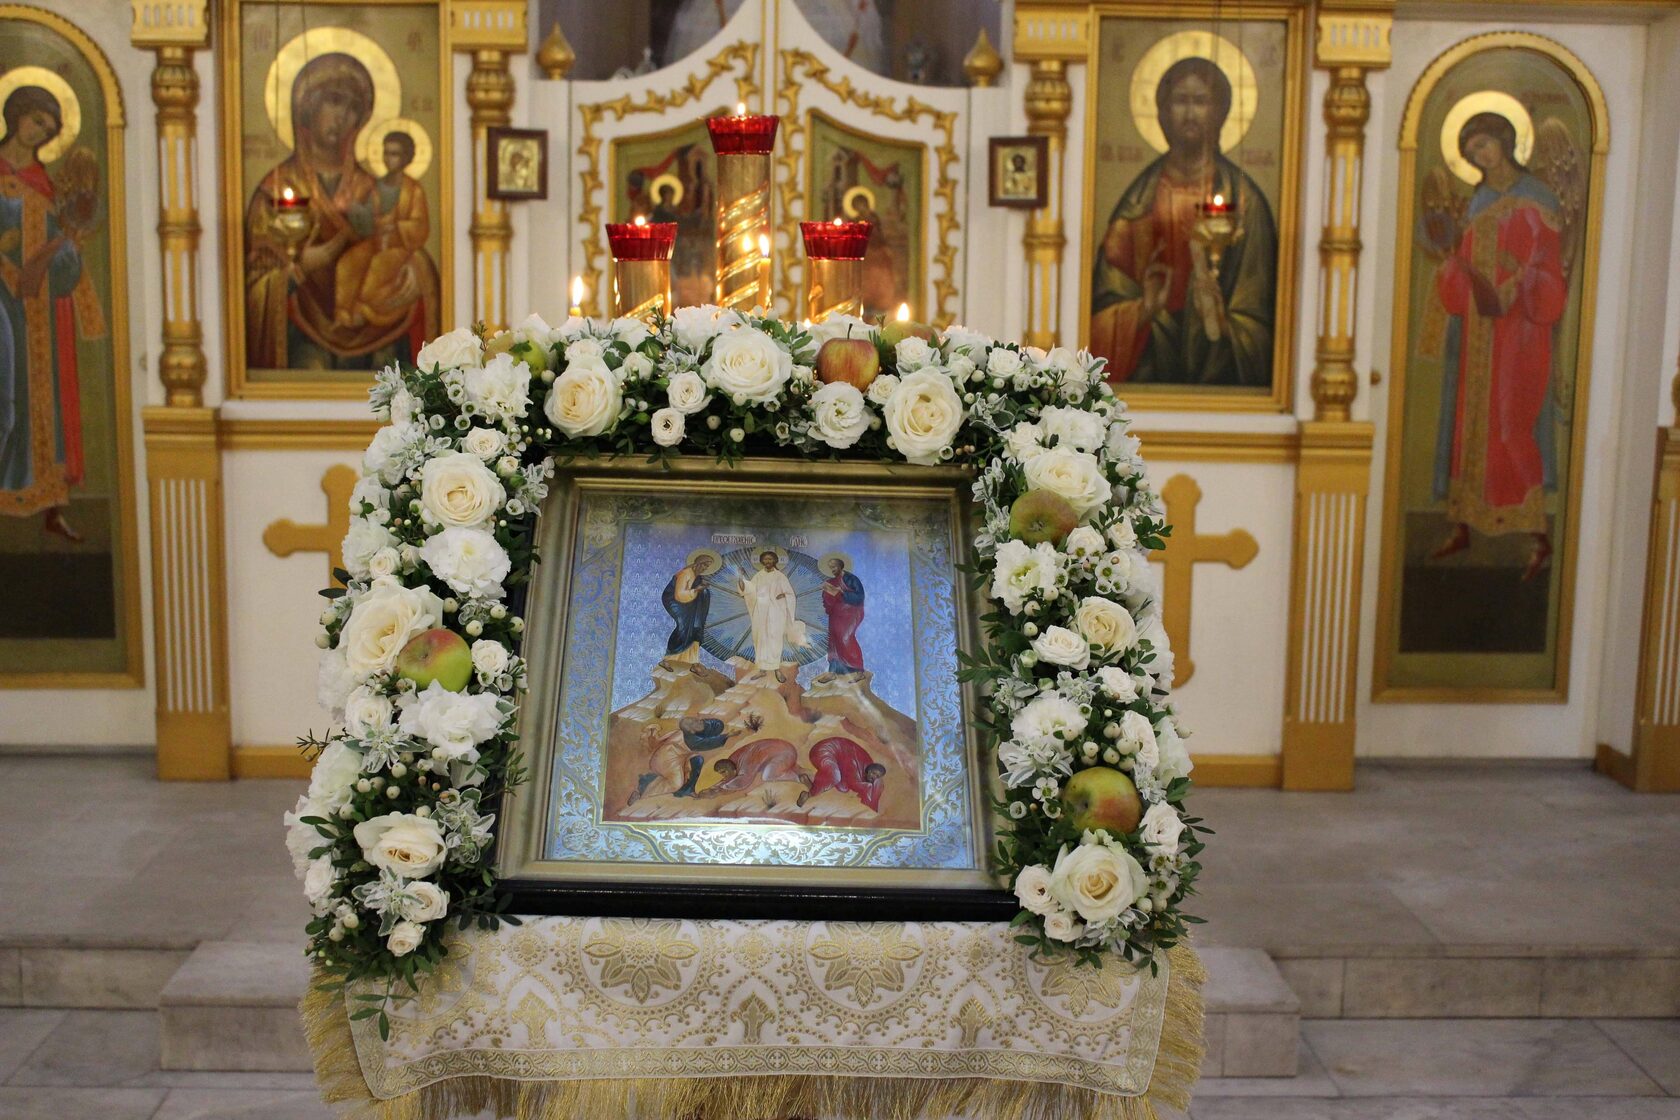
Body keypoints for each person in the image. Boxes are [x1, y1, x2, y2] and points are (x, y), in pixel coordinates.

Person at [1426, 112, 1567, 581]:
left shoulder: (1538, 197)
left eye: (1484, 145)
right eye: (1471, 153)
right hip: (1477, 335)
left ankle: (1538, 537)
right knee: (1468, 425)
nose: (1480, 157)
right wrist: (1451, 265)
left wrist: (1520, 278)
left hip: (1520, 334)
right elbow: (1462, 266)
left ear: (1505, 142)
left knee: (1512, 424)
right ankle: (1463, 526)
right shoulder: (1478, 201)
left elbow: (1551, 268)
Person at [1089, 56, 1276, 387]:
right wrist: (1143, 310)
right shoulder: (1137, 203)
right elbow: (1104, 304)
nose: (1190, 113)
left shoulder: (1247, 203)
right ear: (1162, 112)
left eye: (1201, 101)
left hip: (1219, 371)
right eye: (1180, 101)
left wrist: (1222, 323)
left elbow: (1261, 320)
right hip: (1147, 364)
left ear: (1220, 112)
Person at [244, 53, 439, 370]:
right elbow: (254, 281)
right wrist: (296, 270)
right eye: (334, 101)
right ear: (307, 106)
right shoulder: (275, 190)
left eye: (353, 108)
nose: (342, 117)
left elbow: (404, 242)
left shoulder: (372, 189)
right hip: (301, 333)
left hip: (376, 327)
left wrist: (416, 275)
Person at [0, 85, 106, 540]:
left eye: (48, 128)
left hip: (40, 312)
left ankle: (49, 505)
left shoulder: (44, 183)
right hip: (3, 304)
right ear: (15, 115)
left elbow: (59, 249)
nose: (39, 133)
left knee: (46, 400)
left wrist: (70, 245)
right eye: (35, 121)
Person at [331, 130, 434, 335]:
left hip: (399, 246)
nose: (389, 159)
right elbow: (366, 220)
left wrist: (396, 228)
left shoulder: (413, 190)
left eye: (395, 154)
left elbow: (421, 226)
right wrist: (351, 207)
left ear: (407, 158)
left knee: (377, 268)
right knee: (347, 264)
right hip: (375, 242)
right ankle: (343, 315)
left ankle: (363, 313)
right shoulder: (375, 187)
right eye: (386, 153)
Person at [739, 549, 806, 672]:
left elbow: (790, 594)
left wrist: (784, 595)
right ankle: (761, 669)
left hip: (776, 611)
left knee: (775, 637)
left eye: (770, 559)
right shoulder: (758, 576)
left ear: (775, 561)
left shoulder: (780, 576)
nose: (768, 561)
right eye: (765, 559)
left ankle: (775, 668)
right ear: (762, 561)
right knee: (760, 636)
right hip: (760, 611)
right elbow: (748, 590)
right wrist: (740, 577)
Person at [797, 737, 886, 812]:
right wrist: (867, 787)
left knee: (843, 788)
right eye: (873, 773)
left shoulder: (865, 767)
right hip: (823, 750)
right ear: (869, 770)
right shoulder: (856, 765)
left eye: (877, 776)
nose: (873, 777)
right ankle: (808, 795)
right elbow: (853, 783)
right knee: (834, 777)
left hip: (836, 757)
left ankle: (807, 782)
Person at [660, 550, 715, 662]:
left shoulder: (697, 576)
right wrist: (697, 590)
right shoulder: (685, 573)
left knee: (695, 627)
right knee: (683, 628)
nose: (705, 568)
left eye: (708, 566)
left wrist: (702, 589)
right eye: (705, 564)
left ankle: (692, 662)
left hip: (690, 604)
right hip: (675, 602)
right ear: (698, 563)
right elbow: (679, 595)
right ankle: (668, 659)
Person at [708, 739, 811, 794]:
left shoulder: (745, 762)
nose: (724, 776)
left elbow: (744, 781)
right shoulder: (733, 761)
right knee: (777, 769)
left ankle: (799, 778)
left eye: (723, 772)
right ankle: (803, 774)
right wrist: (716, 786)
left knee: (768, 776)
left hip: (784, 753)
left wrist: (722, 787)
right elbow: (731, 776)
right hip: (782, 751)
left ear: (730, 768)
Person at [820, 556, 866, 674]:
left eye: (834, 567)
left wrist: (842, 593)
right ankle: (833, 671)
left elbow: (860, 597)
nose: (832, 570)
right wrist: (827, 592)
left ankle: (857, 669)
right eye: (830, 568)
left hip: (851, 613)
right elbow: (827, 600)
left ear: (840, 566)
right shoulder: (831, 581)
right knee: (833, 640)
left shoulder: (851, 579)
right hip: (835, 614)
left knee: (846, 638)